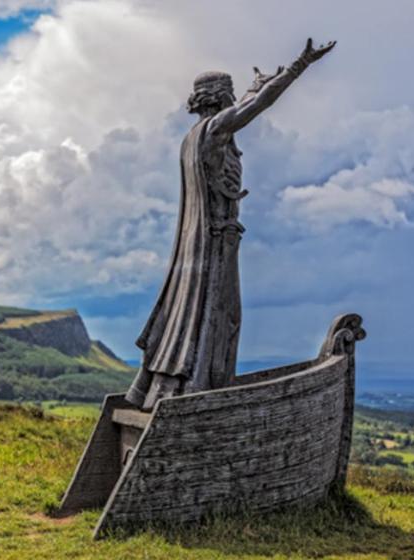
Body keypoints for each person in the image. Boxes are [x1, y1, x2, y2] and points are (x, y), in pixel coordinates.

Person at [126, 38, 336, 411]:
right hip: (216, 244)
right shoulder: (214, 131)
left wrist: (256, 85)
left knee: (193, 315)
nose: (235, 101)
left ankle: (167, 389)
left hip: (200, 245)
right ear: (221, 98)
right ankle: (199, 394)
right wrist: (300, 65)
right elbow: (258, 105)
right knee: (221, 317)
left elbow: (246, 105)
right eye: (232, 95)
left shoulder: (193, 137)